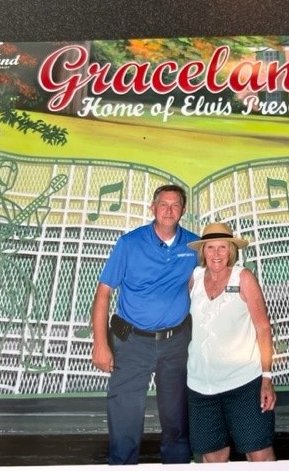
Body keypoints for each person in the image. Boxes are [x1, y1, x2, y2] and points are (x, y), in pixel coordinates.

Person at [91, 184, 199, 465]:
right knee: (125, 419)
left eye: (175, 205)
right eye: (163, 204)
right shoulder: (129, 244)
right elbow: (103, 293)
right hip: (132, 342)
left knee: (177, 419)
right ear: (153, 208)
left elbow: (199, 287)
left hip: (176, 343)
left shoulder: (194, 246)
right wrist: (100, 344)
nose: (169, 211)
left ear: (183, 211)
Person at [186, 222, 276, 462]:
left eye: (222, 247)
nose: (216, 253)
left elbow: (263, 328)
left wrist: (266, 379)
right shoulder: (194, 278)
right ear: (203, 251)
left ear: (231, 250)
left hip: (244, 382)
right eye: (210, 247)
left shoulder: (244, 278)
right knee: (213, 458)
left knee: (259, 454)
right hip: (201, 386)